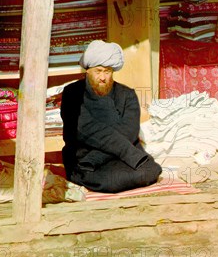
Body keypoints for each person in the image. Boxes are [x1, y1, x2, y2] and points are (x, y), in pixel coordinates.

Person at [60, 40, 162, 193]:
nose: (103, 77)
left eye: (107, 71)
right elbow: (87, 129)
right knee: (110, 181)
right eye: (98, 71)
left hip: (114, 156)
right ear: (87, 70)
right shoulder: (72, 94)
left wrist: (96, 158)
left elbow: (129, 131)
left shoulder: (127, 94)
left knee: (152, 170)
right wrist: (91, 160)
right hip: (84, 156)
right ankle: (84, 173)